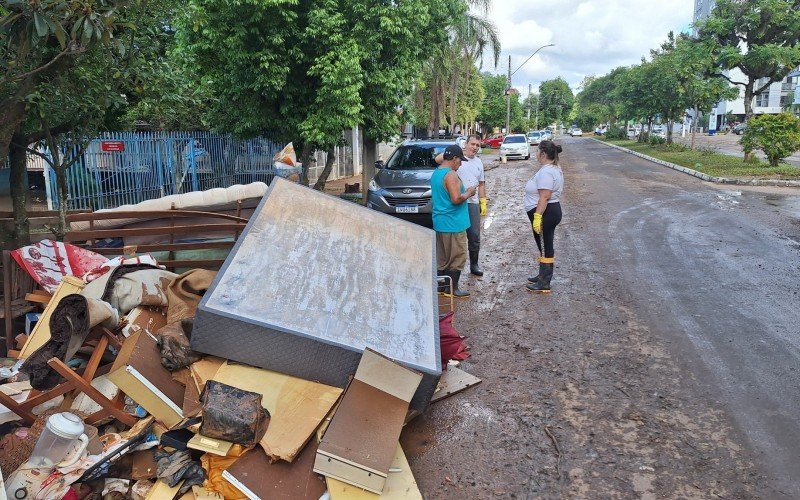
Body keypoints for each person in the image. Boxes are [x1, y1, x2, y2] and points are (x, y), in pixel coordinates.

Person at [436, 135, 487, 276]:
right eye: (472, 144)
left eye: (478, 145)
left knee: (475, 235)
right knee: (457, 235)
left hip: (473, 202)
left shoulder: (479, 163)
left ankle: (474, 264)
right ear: (466, 144)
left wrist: (483, 201)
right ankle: (453, 267)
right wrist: (457, 152)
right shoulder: (457, 160)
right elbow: (438, 159)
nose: (475, 148)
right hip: (458, 201)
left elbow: (481, 183)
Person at [432, 144, 476, 298]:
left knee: (443, 258)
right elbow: (456, 199)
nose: (461, 164)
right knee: (457, 256)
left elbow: (439, 158)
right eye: (460, 160)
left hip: (440, 222)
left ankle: (442, 287)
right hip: (454, 223)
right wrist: (469, 193)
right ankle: (453, 289)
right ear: (454, 159)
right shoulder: (450, 175)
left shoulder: (437, 172)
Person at [525, 140, 564, 293]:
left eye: (537, 152)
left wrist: (537, 216)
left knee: (545, 245)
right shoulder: (552, 168)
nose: (535, 154)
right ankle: (542, 276)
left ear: (543, 154)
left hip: (545, 213)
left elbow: (544, 197)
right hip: (550, 211)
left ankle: (544, 283)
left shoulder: (547, 171)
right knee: (544, 245)